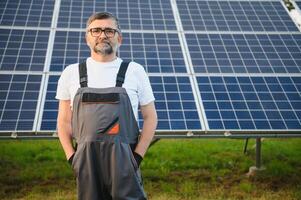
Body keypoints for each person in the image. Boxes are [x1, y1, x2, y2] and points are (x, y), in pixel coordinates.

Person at [56, 12, 157, 200]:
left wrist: (137, 158)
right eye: (96, 30)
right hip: (86, 162)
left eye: (109, 31)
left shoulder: (135, 70)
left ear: (120, 38)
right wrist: (72, 158)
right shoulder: (71, 73)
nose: (102, 35)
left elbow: (150, 117)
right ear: (87, 37)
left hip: (125, 161)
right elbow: (63, 121)